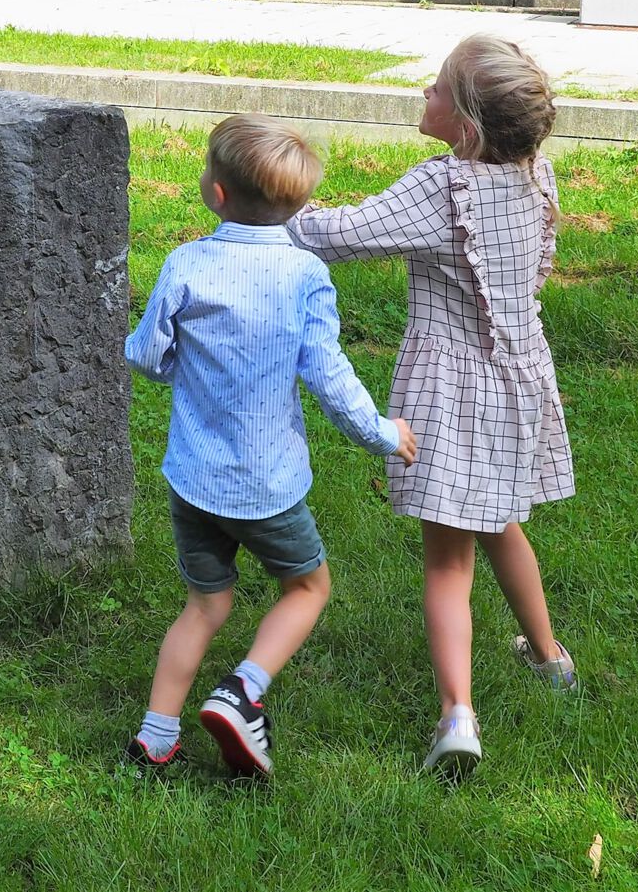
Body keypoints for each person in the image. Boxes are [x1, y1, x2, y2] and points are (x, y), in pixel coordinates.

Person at [287, 35, 575, 780]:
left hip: (452, 389)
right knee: (502, 518)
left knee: (449, 561)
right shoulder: (536, 175)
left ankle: (458, 715)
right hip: (519, 377)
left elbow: (341, 234)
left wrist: (267, 216)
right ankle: (549, 657)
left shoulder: (441, 188)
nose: (425, 90)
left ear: (468, 125)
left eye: (439, 86)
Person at [123, 115, 416, 780]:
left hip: (193, 479)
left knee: (205, 603)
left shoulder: (185, 262)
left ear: (217, 194)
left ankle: (154, 739)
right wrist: (381, 431)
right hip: (267, 483)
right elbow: (328, 373)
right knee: (308, 585)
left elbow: (144, 353)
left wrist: (181, 371)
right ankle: (242, 689)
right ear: (301, 203)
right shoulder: (305, 273)